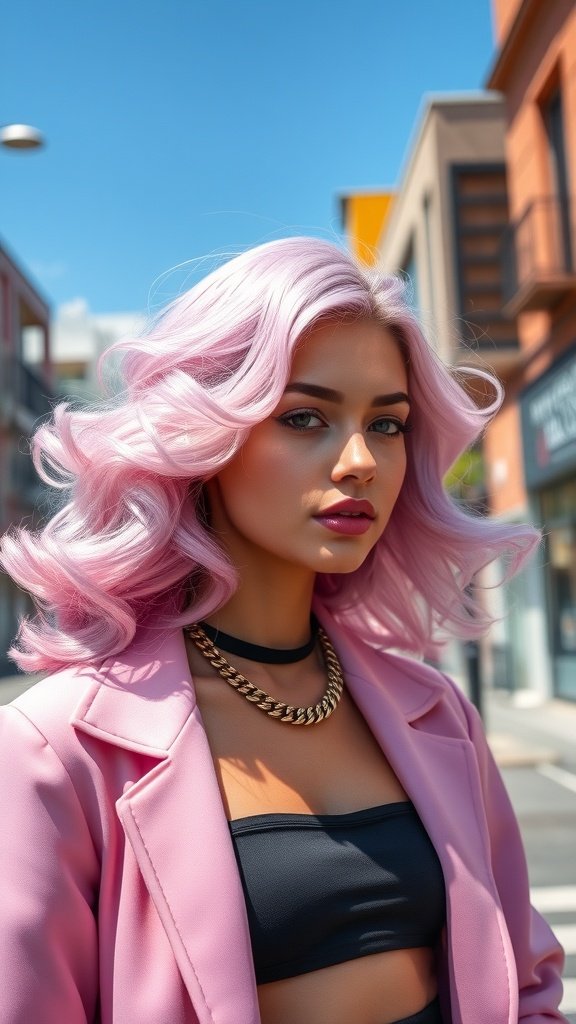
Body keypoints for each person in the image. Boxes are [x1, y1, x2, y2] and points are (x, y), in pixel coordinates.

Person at [0, 237, 567, 1024]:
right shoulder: (57, 748)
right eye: (305, 417)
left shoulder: (436, 711)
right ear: (204, 437)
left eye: (389, 423)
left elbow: (525, 985)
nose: (361, 460)